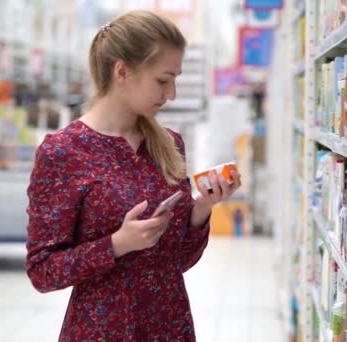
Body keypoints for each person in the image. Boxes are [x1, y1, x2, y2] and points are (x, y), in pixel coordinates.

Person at [25, 11, 242, 341]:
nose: (171, 94)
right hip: (102, 330)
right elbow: (43, 271)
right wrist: (115, 245)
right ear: (122, 71)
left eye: (175, 79)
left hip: (170, 325)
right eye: (162, 80)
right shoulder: (64, 152)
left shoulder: (169, 145)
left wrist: (200, 210)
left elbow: (177, 262)